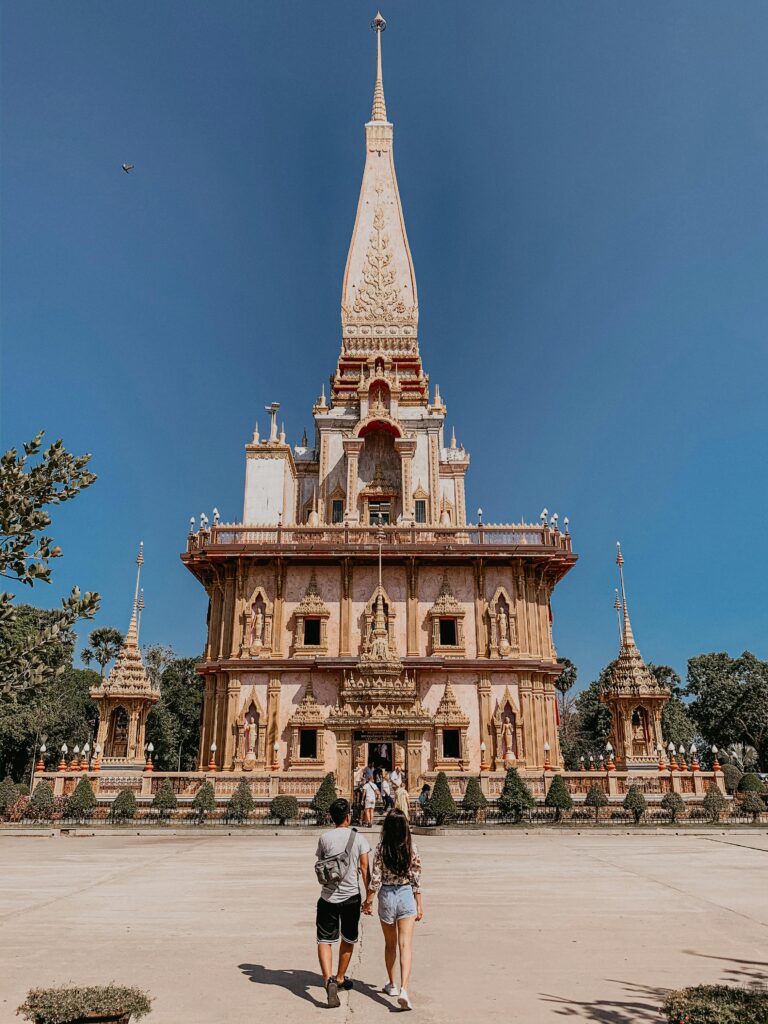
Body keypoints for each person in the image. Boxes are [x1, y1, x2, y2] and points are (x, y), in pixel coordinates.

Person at [363, 809, 423, 1011]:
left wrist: (368, 902)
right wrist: (419, 903)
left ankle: (392, 984)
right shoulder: (411, 847)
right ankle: (405, 988)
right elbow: (416, 876)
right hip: (406, 894)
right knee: (405, 945)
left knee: (390, 944)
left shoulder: (381, 847)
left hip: (387, 896)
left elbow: (376, 878)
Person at [315, 798, 372, 1008]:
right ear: (349, 816)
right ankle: (339, 978)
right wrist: (369, 898)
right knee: (348, 937)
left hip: (327, 896)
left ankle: (327, 980)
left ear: (331, 816)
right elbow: (365, 869)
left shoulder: (324, 838)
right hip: (351, 897)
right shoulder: (359, 838)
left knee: (324, 939)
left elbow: (320, 862)